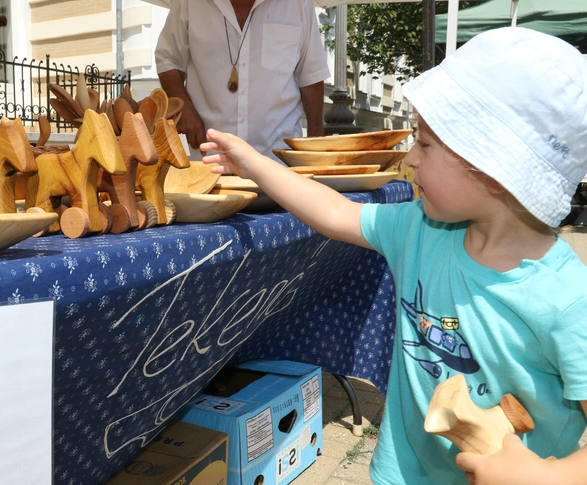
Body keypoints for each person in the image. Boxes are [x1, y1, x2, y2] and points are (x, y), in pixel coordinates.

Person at [200, 27, 587, 485]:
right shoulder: (418, 230)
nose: (411, 159)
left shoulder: (567, 300)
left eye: (426, 144)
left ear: (494, 169)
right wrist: (254, 163)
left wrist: (551, 478)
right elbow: (334, 212)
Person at [154, 0, 330, 164]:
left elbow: (311, 75)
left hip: (278, 161)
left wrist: (315, 150)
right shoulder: (189, 3)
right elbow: (168, 59)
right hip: (210, 161)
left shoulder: (297, 3)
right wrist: (184, 108)